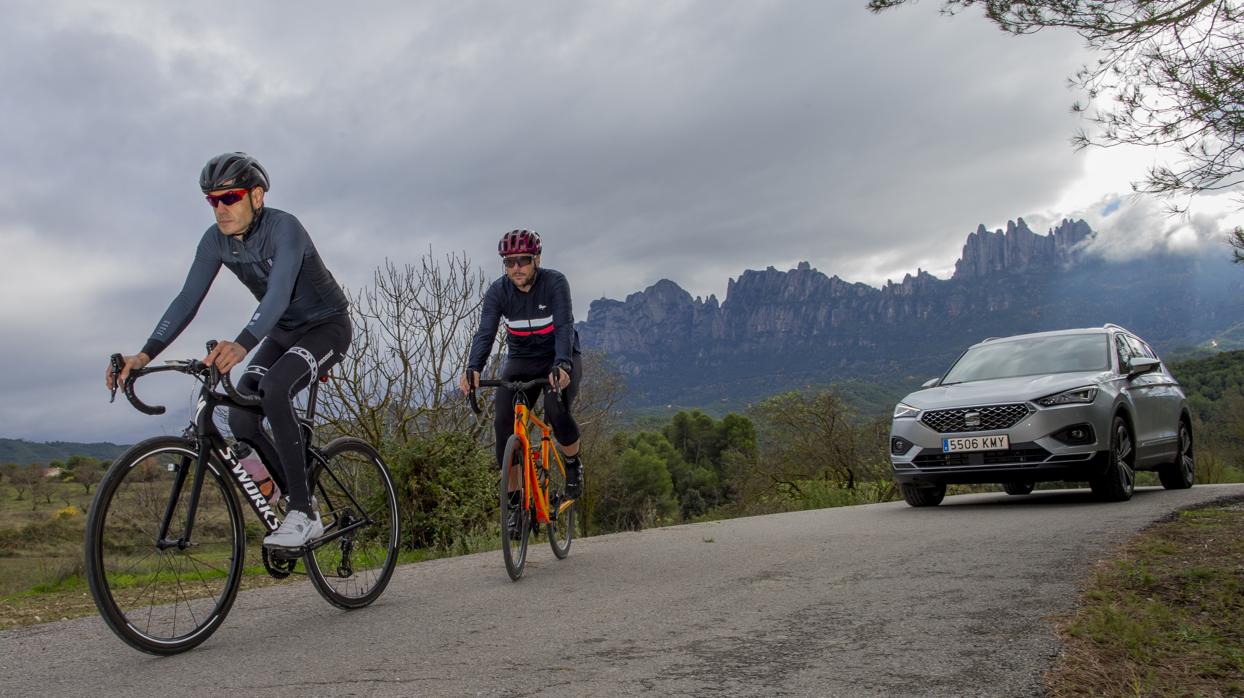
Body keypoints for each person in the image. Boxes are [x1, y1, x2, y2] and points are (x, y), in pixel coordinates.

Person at [105, 152, 351, 550]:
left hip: (326, 328)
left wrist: (242, 343)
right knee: (241, 417)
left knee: (274, 387)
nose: (220, 208)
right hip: (282, 333)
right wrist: (144, 355)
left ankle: (303, 513)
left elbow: (277, 295)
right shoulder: (214, 241)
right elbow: (187, 300)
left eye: (230, 197)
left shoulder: (285, 228)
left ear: (256, 196)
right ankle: (295, 493)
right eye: (212, 200)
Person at [460, 230, 585, 533]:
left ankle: (573, 465)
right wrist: (473, 367)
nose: (516, 267)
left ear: (536, 259)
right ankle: (516, 505)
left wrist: (562, 364)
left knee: (555, 410)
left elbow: (564, 326)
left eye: (523, 261)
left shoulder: (555, 283)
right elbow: (485, 332)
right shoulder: (498, 291)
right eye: (509, 262)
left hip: (558, 355)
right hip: (522, 359)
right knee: (503, 422)